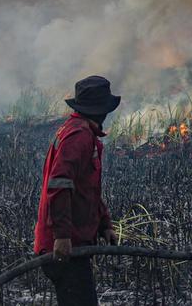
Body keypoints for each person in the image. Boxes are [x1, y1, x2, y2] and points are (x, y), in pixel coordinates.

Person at [33, 75, 121, 306]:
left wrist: (105, 224)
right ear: (101, 110)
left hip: (72, 241)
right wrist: (62, 236)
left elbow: (88, 189)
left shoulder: (81, 131)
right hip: (62, 245)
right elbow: (59, 185)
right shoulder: (79, 136)